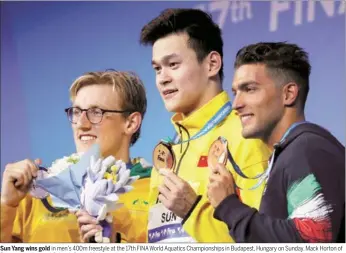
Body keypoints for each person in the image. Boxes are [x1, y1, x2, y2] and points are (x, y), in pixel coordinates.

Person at [139, 8, 271, 243]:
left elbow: (263, 242)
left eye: (173, 64)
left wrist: (193, 210)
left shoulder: (247, 137)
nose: (162, 78)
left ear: (212, 64)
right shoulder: (167, 152)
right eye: (157, 68)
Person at [207, 42, 345, 243]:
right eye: (236, 92)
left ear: (288, 94)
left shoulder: (306, 148)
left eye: (250, 89)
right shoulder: (293, 152)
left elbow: (313, 240)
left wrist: (228, 205)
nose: (236, 104)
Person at [0, 70, 152, 243]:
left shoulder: (158, 190)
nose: (81, 124)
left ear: (131, 123)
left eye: (96, 112)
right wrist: (7, 204)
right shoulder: (38, 193)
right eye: (77, 112)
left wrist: (114, 244)